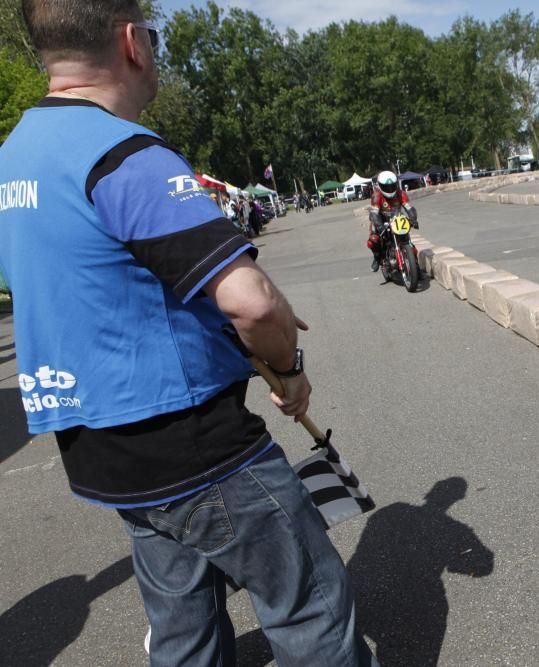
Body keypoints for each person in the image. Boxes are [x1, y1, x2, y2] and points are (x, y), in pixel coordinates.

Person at [0, 2, 377, 665]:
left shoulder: (13, 159)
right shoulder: (122, 153)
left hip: (102, 450)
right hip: (199, 448)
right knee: (310, 610)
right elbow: (252, 302)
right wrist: (289, 369)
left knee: (182, 630)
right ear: (131, 43)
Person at [367, 170, 418, 272]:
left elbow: (409, 208)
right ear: (380, 186)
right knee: (373, 240)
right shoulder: (376, 196)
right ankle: (377, 258)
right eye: (386, 187)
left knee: (409, 243)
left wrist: (413, 219)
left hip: (397, 218)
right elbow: (374, 214)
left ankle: (415, 266)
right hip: (380, 220)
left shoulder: (401, 193)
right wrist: (380, 227)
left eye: (392, 186)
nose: (390, 189)